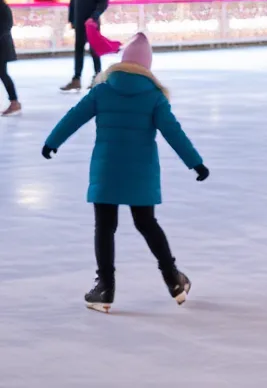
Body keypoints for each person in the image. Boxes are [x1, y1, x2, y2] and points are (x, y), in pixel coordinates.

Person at [42, 33, 208, 313]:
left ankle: (105, 287)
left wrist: (52, 141)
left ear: (122, 62)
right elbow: (173, 132)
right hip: (140, 172)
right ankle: (173, 279)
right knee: (147, 224)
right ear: (146, 66)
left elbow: (73, 116)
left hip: (107, 169)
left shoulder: (103, 90)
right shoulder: (154, 97)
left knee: (105, 227)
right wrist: (195, 162)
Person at [63, 0, 108, 92]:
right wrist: (72, 20)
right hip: (79, 21)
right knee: (78, 50)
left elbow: (103, 2)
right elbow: (73, 2)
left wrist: (94, 17)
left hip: (91, 23)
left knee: (94, 50)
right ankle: (76, 79)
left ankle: (98, 77)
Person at [1, 0, 19, 116]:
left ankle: (14, 101)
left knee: (2, 73)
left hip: (1, 46)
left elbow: (7, 25)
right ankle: (14, 101)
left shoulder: (2, 7)